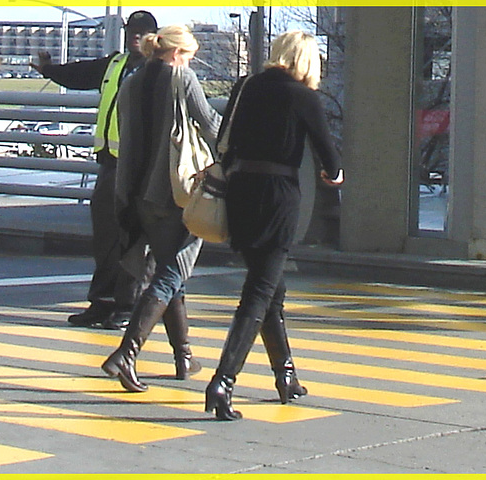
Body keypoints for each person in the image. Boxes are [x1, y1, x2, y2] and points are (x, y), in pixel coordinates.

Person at [204, 30, 345, 420]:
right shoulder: (303, 96)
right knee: (259, 291)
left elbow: (223, 138)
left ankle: (286, 376)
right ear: (306, 61)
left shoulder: (245, 86)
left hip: (240, 193)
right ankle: (223, 381)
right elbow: (329, 157)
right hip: (278, 198)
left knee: (271, 289)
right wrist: (334, 174)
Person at [101, 24, 222, 391]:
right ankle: (126, 353)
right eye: (189, 56)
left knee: (171, 270)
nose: (190, 62)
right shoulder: (181, 79)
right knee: (173, 272)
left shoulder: (131, 83)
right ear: (176, 54)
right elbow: (211, 125)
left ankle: (183, 356)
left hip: (137, 192)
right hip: (175, 191)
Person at [30, 11, 158, 330]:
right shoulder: (114, 64)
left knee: (133, 240)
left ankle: (128, 305)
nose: (135, 37)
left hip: (139, 168)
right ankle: (101, 302)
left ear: (155, 36)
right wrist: (48, 70)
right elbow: (80, 74)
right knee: (105, 237)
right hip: (110, 163)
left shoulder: (159, 70)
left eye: (142, 32)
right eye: (132, 31)